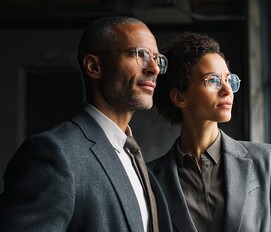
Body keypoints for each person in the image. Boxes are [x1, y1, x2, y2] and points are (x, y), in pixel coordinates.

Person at [0, 16, 172, 232]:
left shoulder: (132, 156)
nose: (154, 69)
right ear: (94, 66)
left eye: (157, 58)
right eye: (139, 54)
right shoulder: (53, 153)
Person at [148, 32, 271, 232]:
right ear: (179, 97)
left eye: (229, 80)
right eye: (213, 80)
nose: (227, 90)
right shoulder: (151, 178)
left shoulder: (265, 161)